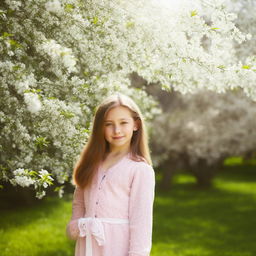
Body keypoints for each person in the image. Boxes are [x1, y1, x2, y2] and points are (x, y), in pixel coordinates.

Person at [66, 93, 155, 256]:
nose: (117, 130)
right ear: (100, 127)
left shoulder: (140, 169)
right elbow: (79, 199)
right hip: (87, 245)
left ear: (135, 124)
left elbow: (141, 222)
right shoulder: (92, 162)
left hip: (117, 247)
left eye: (123, 123)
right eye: (109, 124)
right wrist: (77, 223)